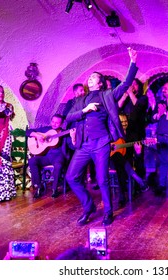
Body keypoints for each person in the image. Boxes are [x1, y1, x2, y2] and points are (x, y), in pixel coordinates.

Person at [65, 47, 138, 226]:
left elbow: (126, 84)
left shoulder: (107, 95)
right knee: (71, 176)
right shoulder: (81, 100)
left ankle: (108, 212)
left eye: (94, 77)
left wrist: (133, 63)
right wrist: (84, 110)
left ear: (100, 83)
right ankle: (89, 206)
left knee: (102, 179)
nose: (90, 78)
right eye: (89, 77)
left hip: (102, 143)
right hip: (84, 145)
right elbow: (69, 117)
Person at [118, 78, 149, 193]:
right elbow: (117, 107)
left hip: (138, 134)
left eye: (135, 84)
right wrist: (125, 95)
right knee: (127, 159)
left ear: (139, 87)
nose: (132, 86)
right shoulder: (127, 99)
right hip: (125, 135)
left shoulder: (143, 98)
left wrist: (131, 93)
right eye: (131, 85)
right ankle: (129, 183)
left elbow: (138, 108)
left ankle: (141, 183)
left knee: (139, 159)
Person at [26, 114, 67, 198]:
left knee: (58, 165)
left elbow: (71, 146)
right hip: (45, 157)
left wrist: (73, 136)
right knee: (32, 161)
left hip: (57, 157)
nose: (54, 124)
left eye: (57, 123)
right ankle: (38, 187)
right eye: (53, 121)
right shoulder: (46, 129)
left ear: (61, 124)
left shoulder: (64, 133)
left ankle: (54, 189)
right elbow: (27, 132)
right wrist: (37, 135)